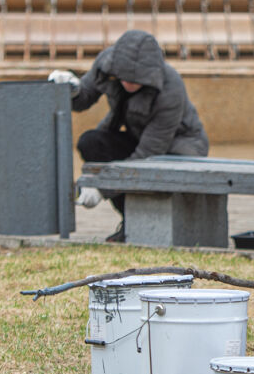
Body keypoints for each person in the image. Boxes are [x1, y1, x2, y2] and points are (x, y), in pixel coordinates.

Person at [48, 29, 209, 243]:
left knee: (149, 172)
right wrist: (71, 90)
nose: (128, 83)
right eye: (124, 76)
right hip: (138, 138)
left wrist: (102, 188)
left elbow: (147, 154)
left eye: (136, 79)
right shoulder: (107, 64)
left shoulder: (171, 88)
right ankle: (131, 222)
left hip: (178, 148)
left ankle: (150, 226)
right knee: (92, 143)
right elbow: (85, 96)